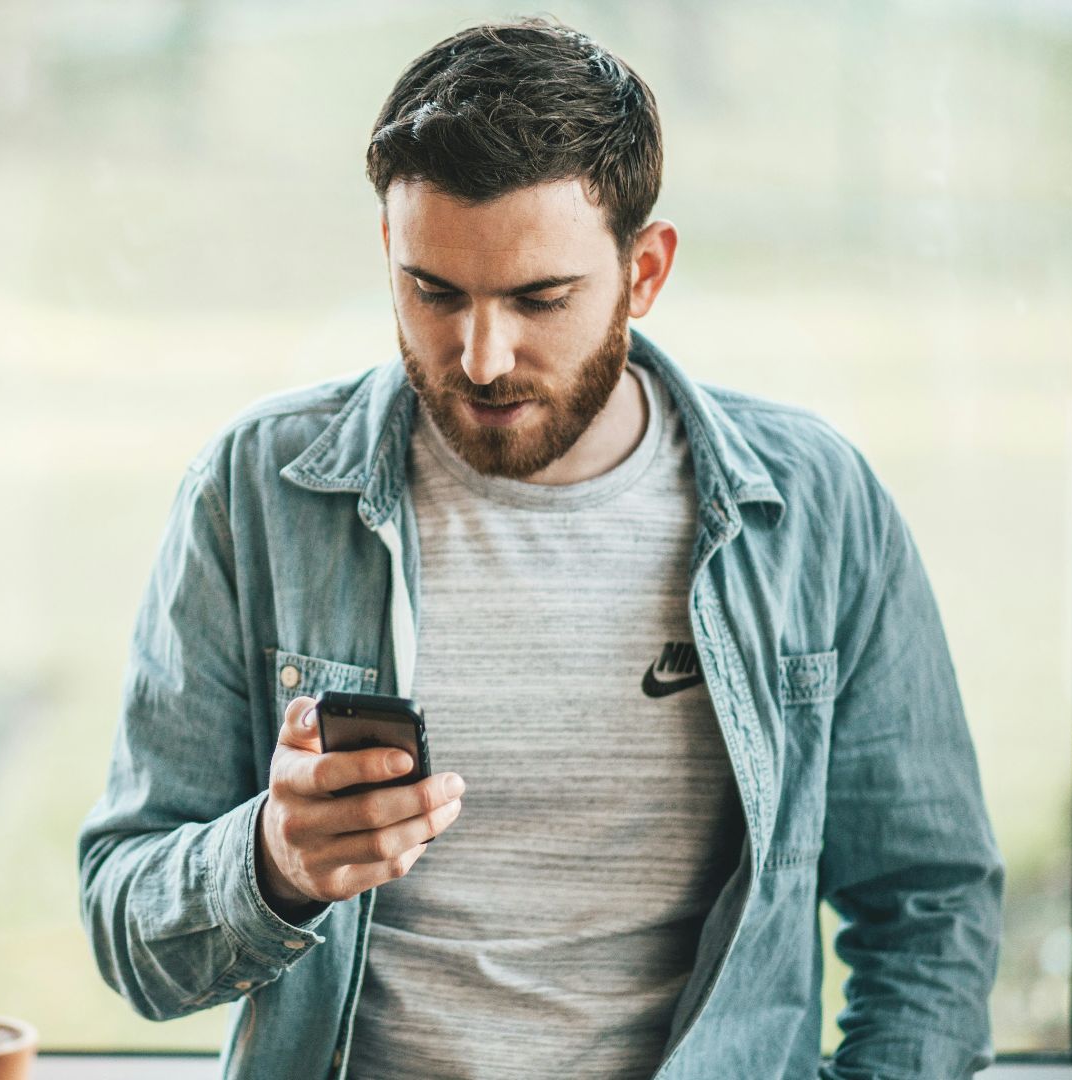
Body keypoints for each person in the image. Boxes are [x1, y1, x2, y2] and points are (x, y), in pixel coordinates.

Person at [77, 17, 1003, 1080]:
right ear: (388, 250)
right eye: (434, 292)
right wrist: (272, 862)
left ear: (643, 271)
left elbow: (929, 907)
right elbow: (127, 927)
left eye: (538, 299)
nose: (480, 357)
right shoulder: (256, 492)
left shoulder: (815, 507)